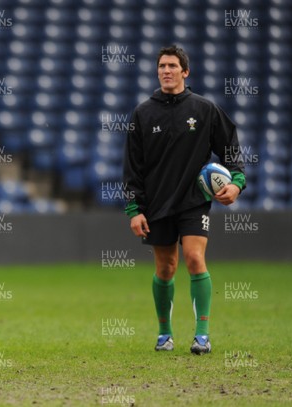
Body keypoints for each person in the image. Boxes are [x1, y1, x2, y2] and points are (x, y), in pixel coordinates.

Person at [123, 45, 246, 354]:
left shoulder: (205, 110)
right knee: (166, 268)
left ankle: (202, 335)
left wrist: (237, 183)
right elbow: (132, 167)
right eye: (162, 66)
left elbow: (230, 148)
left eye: (172, 66)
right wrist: (134, 209)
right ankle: (165, 333)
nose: (166, 70)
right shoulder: (142, 113)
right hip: (156, 203)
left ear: (185, 71)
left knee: (193, 258)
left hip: (194, 200)